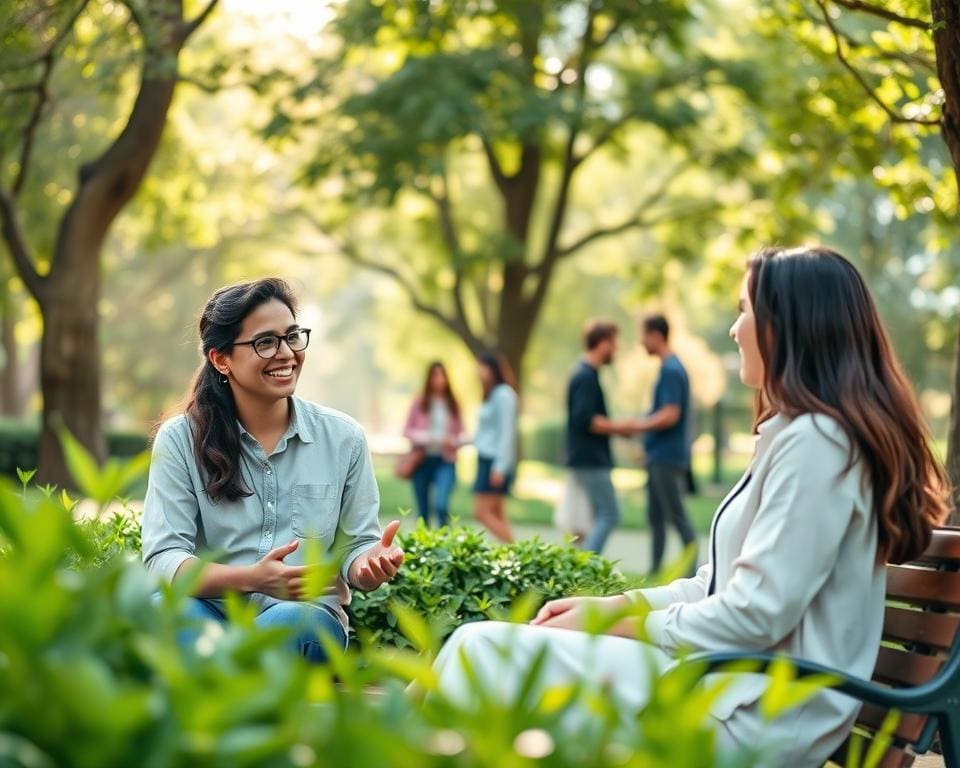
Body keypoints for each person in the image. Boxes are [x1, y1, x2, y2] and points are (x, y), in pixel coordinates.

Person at [432, 246, 948, 766]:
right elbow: (717, 585)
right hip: (733, 686)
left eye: (745, 309)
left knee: (482, 651)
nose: (734, 328)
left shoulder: (818, 441)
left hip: (759, 713)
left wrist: (614, 628)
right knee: (477, 649)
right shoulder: (799, 433)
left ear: (785, 325)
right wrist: (608, 607)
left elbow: (757, 613)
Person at [142, 278, 404, 663]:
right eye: (266, 342)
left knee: (294, 625)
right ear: (221, 359)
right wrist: (253, 578)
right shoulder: (181, 439)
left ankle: (212, 681)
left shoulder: (344, 438)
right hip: (208, 609)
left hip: (304, 617)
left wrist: (368, 565)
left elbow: (355, 548)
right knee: (164, 613)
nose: (286, 353)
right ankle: (233, 684)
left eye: (293, 336)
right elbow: (165, 559)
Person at [565, 320, 641, 554]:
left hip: (587, 457)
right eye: (613, 343)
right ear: (601, 343)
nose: (616, 349)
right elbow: (586, 419)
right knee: (609, 513)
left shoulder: (587, 374)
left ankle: (580, 563)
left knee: (589, 518)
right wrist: (620, 427)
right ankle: (586, 566)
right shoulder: (585, 377)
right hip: (590, 458)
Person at [632, 314, 697, 574]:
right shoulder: (669, 367)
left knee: (676, 516)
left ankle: (693, 572)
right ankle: (655, 571)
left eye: (643, 335)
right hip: (658, 455)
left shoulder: (671, 369)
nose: (641, 342)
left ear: (656, 336)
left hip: (667, 457)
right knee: (656, 517)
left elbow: (670, 414)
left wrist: (636, 425)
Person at [402, 361, 465, 527]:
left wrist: (454, 441)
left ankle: (445, 544)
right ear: (429, 378)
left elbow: (461, 434)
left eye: (442, 375)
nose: (439, 380)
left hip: (445, 460)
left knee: (441, 505)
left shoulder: (453, 404)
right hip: (422, 460)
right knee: (423, 511)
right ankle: (425, 548)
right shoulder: (419, 402)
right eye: (435, 375)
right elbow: (407, 431)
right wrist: (433, 438)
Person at [472, 352, 518, 543]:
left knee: (481, 512)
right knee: (498, 514)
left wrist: (500, 467)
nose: (478, 371)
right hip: (486, 457)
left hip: (495, 461)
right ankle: (515, 557)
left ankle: (516, 550)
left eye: (481, 366)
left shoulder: (503, 395)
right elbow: (484, 433)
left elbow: (506, 433)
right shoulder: (490, 395)